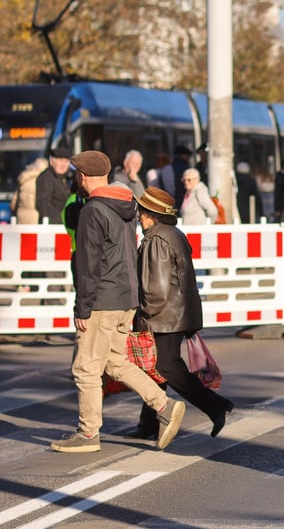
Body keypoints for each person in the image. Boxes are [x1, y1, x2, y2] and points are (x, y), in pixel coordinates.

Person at [50, 150, 185, 454]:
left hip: (101, 300)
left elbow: (89, 264)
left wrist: (82, 308)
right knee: (115, 362)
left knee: (85, 368)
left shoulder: (92, 210)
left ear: (82, 177)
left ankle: (87, 434)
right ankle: (163, 405)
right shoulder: (127, 206)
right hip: (126, 298)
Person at [127, 186, 235, 440]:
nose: (138, 217)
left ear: (149, 214)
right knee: (156, 367)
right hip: (176, 313)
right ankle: (148, 425)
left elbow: (157, 289)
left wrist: (143, 313)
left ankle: (215, 405)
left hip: (164, 317)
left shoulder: (156, 239)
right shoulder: (173, 233)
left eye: (141, 212)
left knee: (165, 366)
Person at [35, 147, 73, 224]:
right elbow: (42, 203)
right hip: (53, 226)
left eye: (66, 161)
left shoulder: (69, 177)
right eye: (60, 160)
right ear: (51, 161)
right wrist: (60, 221)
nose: (63, 164)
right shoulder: (46, 177)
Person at [11, 157, 48, 224]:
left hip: (21, 214)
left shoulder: (24, 178)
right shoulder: (42, 180)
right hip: (34, 215)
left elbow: (13, 203)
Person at [171, 145, 193, 210]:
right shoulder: (186, 168)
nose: (189, 158)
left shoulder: (169, 168)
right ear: (183, 155)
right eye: (188, 156)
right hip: (184, 198)